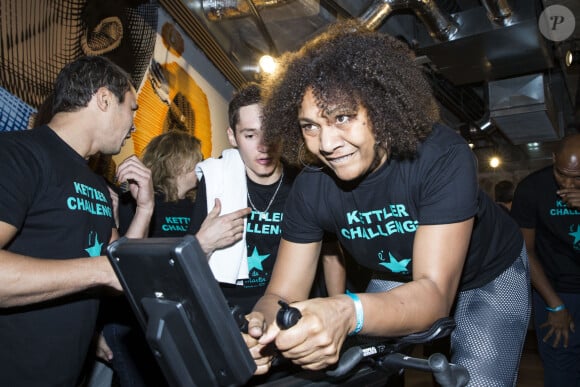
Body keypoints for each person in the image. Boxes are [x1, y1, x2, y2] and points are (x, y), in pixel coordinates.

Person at [244, 21, 531, 386]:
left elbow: (434, 293)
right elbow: (282, 294)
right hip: (397, 275)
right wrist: (259, 328)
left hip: (489, 274)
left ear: (379, 109)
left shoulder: (441, 157)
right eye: (310, 126)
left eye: (343, 117)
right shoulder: (311, 187)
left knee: (480, 381)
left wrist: (348, 311)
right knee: (358, 374)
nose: (327, 142)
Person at [0, 55, 155, 386]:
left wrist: (144, 210)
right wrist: (98, 270)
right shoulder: (17, 154)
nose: (134, 124)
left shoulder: (96, 182)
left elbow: (118, 271)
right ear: (103, 99)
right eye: (132, 108)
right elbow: (103, 270)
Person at [189, 82, 345, 316]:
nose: (263, 146)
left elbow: (332, 255)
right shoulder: (215, 180)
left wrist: (338, 315)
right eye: (250, 135)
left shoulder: (303, 183)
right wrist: (204, 242)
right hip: (222, 308)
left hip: (285, 307)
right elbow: (188, 264)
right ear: (232, 136)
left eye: (270, 133)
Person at [511, 134, 580, 386]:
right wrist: (555, 305)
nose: (569, 184)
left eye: (578, 177)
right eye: (562, 174)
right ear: (553, 159)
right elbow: (525, 250)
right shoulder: (532, 188)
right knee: (560, 365)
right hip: (554, 290)